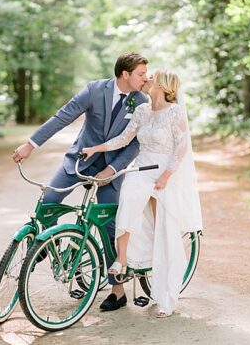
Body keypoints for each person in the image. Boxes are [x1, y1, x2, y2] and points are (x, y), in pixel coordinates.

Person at [11, 51, 150, 312]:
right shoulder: (95, 90)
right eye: (141, 74)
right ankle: (49, 244)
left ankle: (117, 290)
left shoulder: (142, 101)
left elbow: (135, 145)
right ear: (125, 74)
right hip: (80, 160)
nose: (146, 78)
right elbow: (62, 117)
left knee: (110, 226)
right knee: (49, 201)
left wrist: (112, 168)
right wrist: (31, 145)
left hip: (110, 168)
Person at [82, 69, 203, 318]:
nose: (147, 79)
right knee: (127, 203)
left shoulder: (174, 112)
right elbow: (124, 138)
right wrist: (96, 148)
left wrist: (166, 176)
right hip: (141, 169)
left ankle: (165, 295)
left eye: (152, 78)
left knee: (163, 231)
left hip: (163, 174)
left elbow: (181, 148)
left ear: (162, 86)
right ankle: (122, 261)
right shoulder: (142, 110)